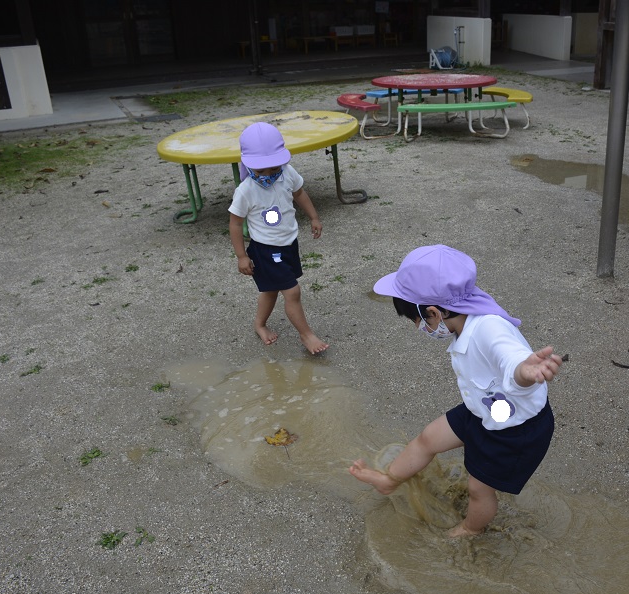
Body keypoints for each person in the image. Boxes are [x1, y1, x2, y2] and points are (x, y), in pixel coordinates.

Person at [349, 245, 563, 537]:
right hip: (483, 408)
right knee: (427, 438)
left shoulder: (489, 328)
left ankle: (470, 529)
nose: (418, 328)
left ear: (434, 313)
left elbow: (510, 357)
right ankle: (390, 480)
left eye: (417, 321)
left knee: (479, 489)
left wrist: (524, 372)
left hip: (515, 429)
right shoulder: (466, 316)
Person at [228, 122, 328, 354]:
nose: (268, 175)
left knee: (271, 290)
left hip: (288, 244)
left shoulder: (288, 173)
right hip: (264, 250)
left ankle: (259, 324)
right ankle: (307, 335)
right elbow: (235, 223)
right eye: (261, 171)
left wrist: (314, 217)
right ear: (248, 164)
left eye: (273, 168)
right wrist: (241, 256)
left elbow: (300, 193)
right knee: (291, 291)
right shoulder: (246, 190)